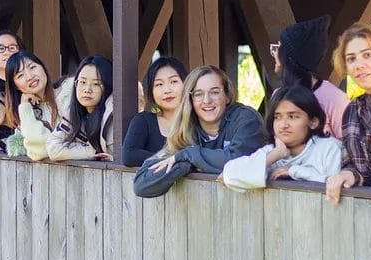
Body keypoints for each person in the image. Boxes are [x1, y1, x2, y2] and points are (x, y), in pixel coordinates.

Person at [133, 65, 265, 198]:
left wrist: (190, 155)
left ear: (227, 96)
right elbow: (142, 184)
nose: (207, 101)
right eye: (198, 94)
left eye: (215, 92)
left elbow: (238, 161)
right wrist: (187, 164)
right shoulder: (188, 129)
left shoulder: (245, 119)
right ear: (190, 100)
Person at [220, 85, 341, 192]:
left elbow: (334, 184)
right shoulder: (273, 151)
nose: (283, 125)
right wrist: (276, 154)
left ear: (313, 122)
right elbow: (229, 175)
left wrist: (293, 171)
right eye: (277, 117)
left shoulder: (329, 148)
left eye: (292, 116)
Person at [325, 23, 371, 205]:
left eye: (367, 55)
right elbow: (357, 166)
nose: (359, 65)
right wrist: (347, 174)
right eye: (351, 59)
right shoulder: (351, 112)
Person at [271, 15, 350, 139]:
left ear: (289, 58)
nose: (274, 53)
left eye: (278, 48)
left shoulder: (334, 98)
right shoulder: (277, 95)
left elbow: (349, 147)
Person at [122, 57, 188, 167]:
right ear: (151, 91)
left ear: (186, 84)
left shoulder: (196, 122)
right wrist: (172, 159)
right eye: (159, 84)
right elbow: (129, 155)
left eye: (173, 81)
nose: (167, 90)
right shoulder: (144, 121)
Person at [46, 56, 114, 161]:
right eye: (82, 82)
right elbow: (53, 149)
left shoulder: (111, 115)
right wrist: (92, 152)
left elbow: (112, 153)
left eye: (96, 84)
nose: (87, 89)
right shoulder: (73, 112)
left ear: (108, 86)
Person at [4, 50, 67, 161]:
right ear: (16, 87)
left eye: (32, 67)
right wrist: (24, 106)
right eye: (20, 75)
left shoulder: (69, 92)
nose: (29, 76)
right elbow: (41, 151)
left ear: (42, 67)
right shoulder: (26, 114)